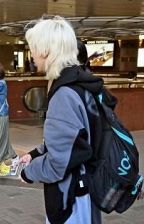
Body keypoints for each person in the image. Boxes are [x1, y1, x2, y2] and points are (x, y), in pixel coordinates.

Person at [19, 15, 103, 223]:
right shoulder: (84, 85)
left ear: (45, 50)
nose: (32, 56)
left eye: (33, 48)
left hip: (71, 199)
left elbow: (59, 165)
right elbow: (76, 140)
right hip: (87, 192)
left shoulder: (63, 95)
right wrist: (37, 152)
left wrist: (28, 172)